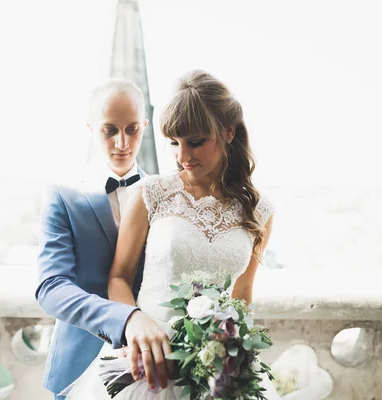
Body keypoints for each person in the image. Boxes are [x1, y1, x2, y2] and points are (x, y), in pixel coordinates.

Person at [64, 70, 281, 399]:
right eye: (174, 143)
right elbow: (119, 277)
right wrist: (134, 324)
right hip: (147, 364)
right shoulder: (152, 193)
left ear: (227, 132)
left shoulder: (259, 211)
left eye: (195, 142)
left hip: (213, 373)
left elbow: (243, 295)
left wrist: (230, 354)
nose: (182, 156)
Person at [36, 79, 171, 399]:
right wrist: (126, 319)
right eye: (109, 130)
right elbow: (51, 287)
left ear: (145, 126)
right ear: (91, 127)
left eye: (133, 129)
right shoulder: (62, 195)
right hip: (79, 367)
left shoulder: (167, 195)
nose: (122, 142)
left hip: (156, 369)